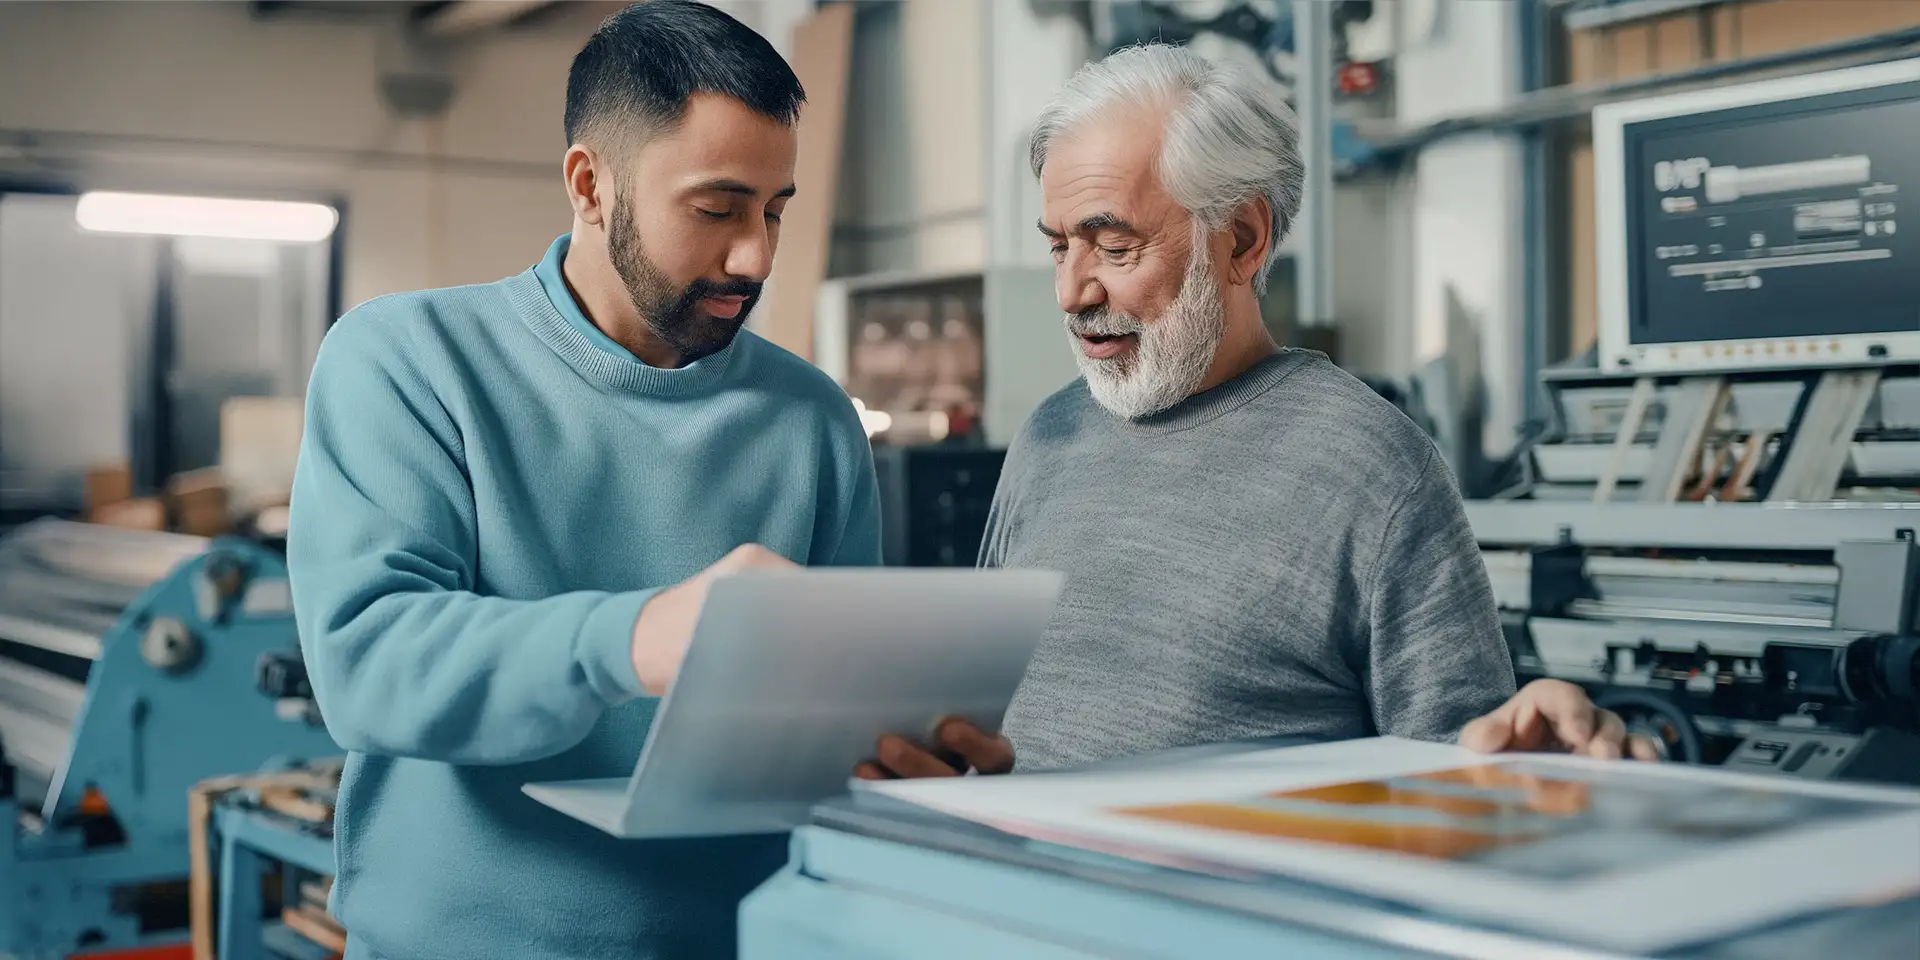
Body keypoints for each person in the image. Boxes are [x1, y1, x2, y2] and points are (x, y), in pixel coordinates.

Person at [287, 5, 1009, 958]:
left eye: (777, 209)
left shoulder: (811, 421)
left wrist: (913, 757)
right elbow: (369, 665)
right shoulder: (407, 362)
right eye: (717, 209)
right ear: (591, 185)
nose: (754, 256)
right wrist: (634, 636)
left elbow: (823, 737)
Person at [862, 43, 1652, 782]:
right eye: (1058, 246)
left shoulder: (1371, 469)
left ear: (1240, 239)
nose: (1072, 292)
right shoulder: (1051, 433)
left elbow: (1462, 771)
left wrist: (1533, 751)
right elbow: (982, 723)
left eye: (1113, 246)